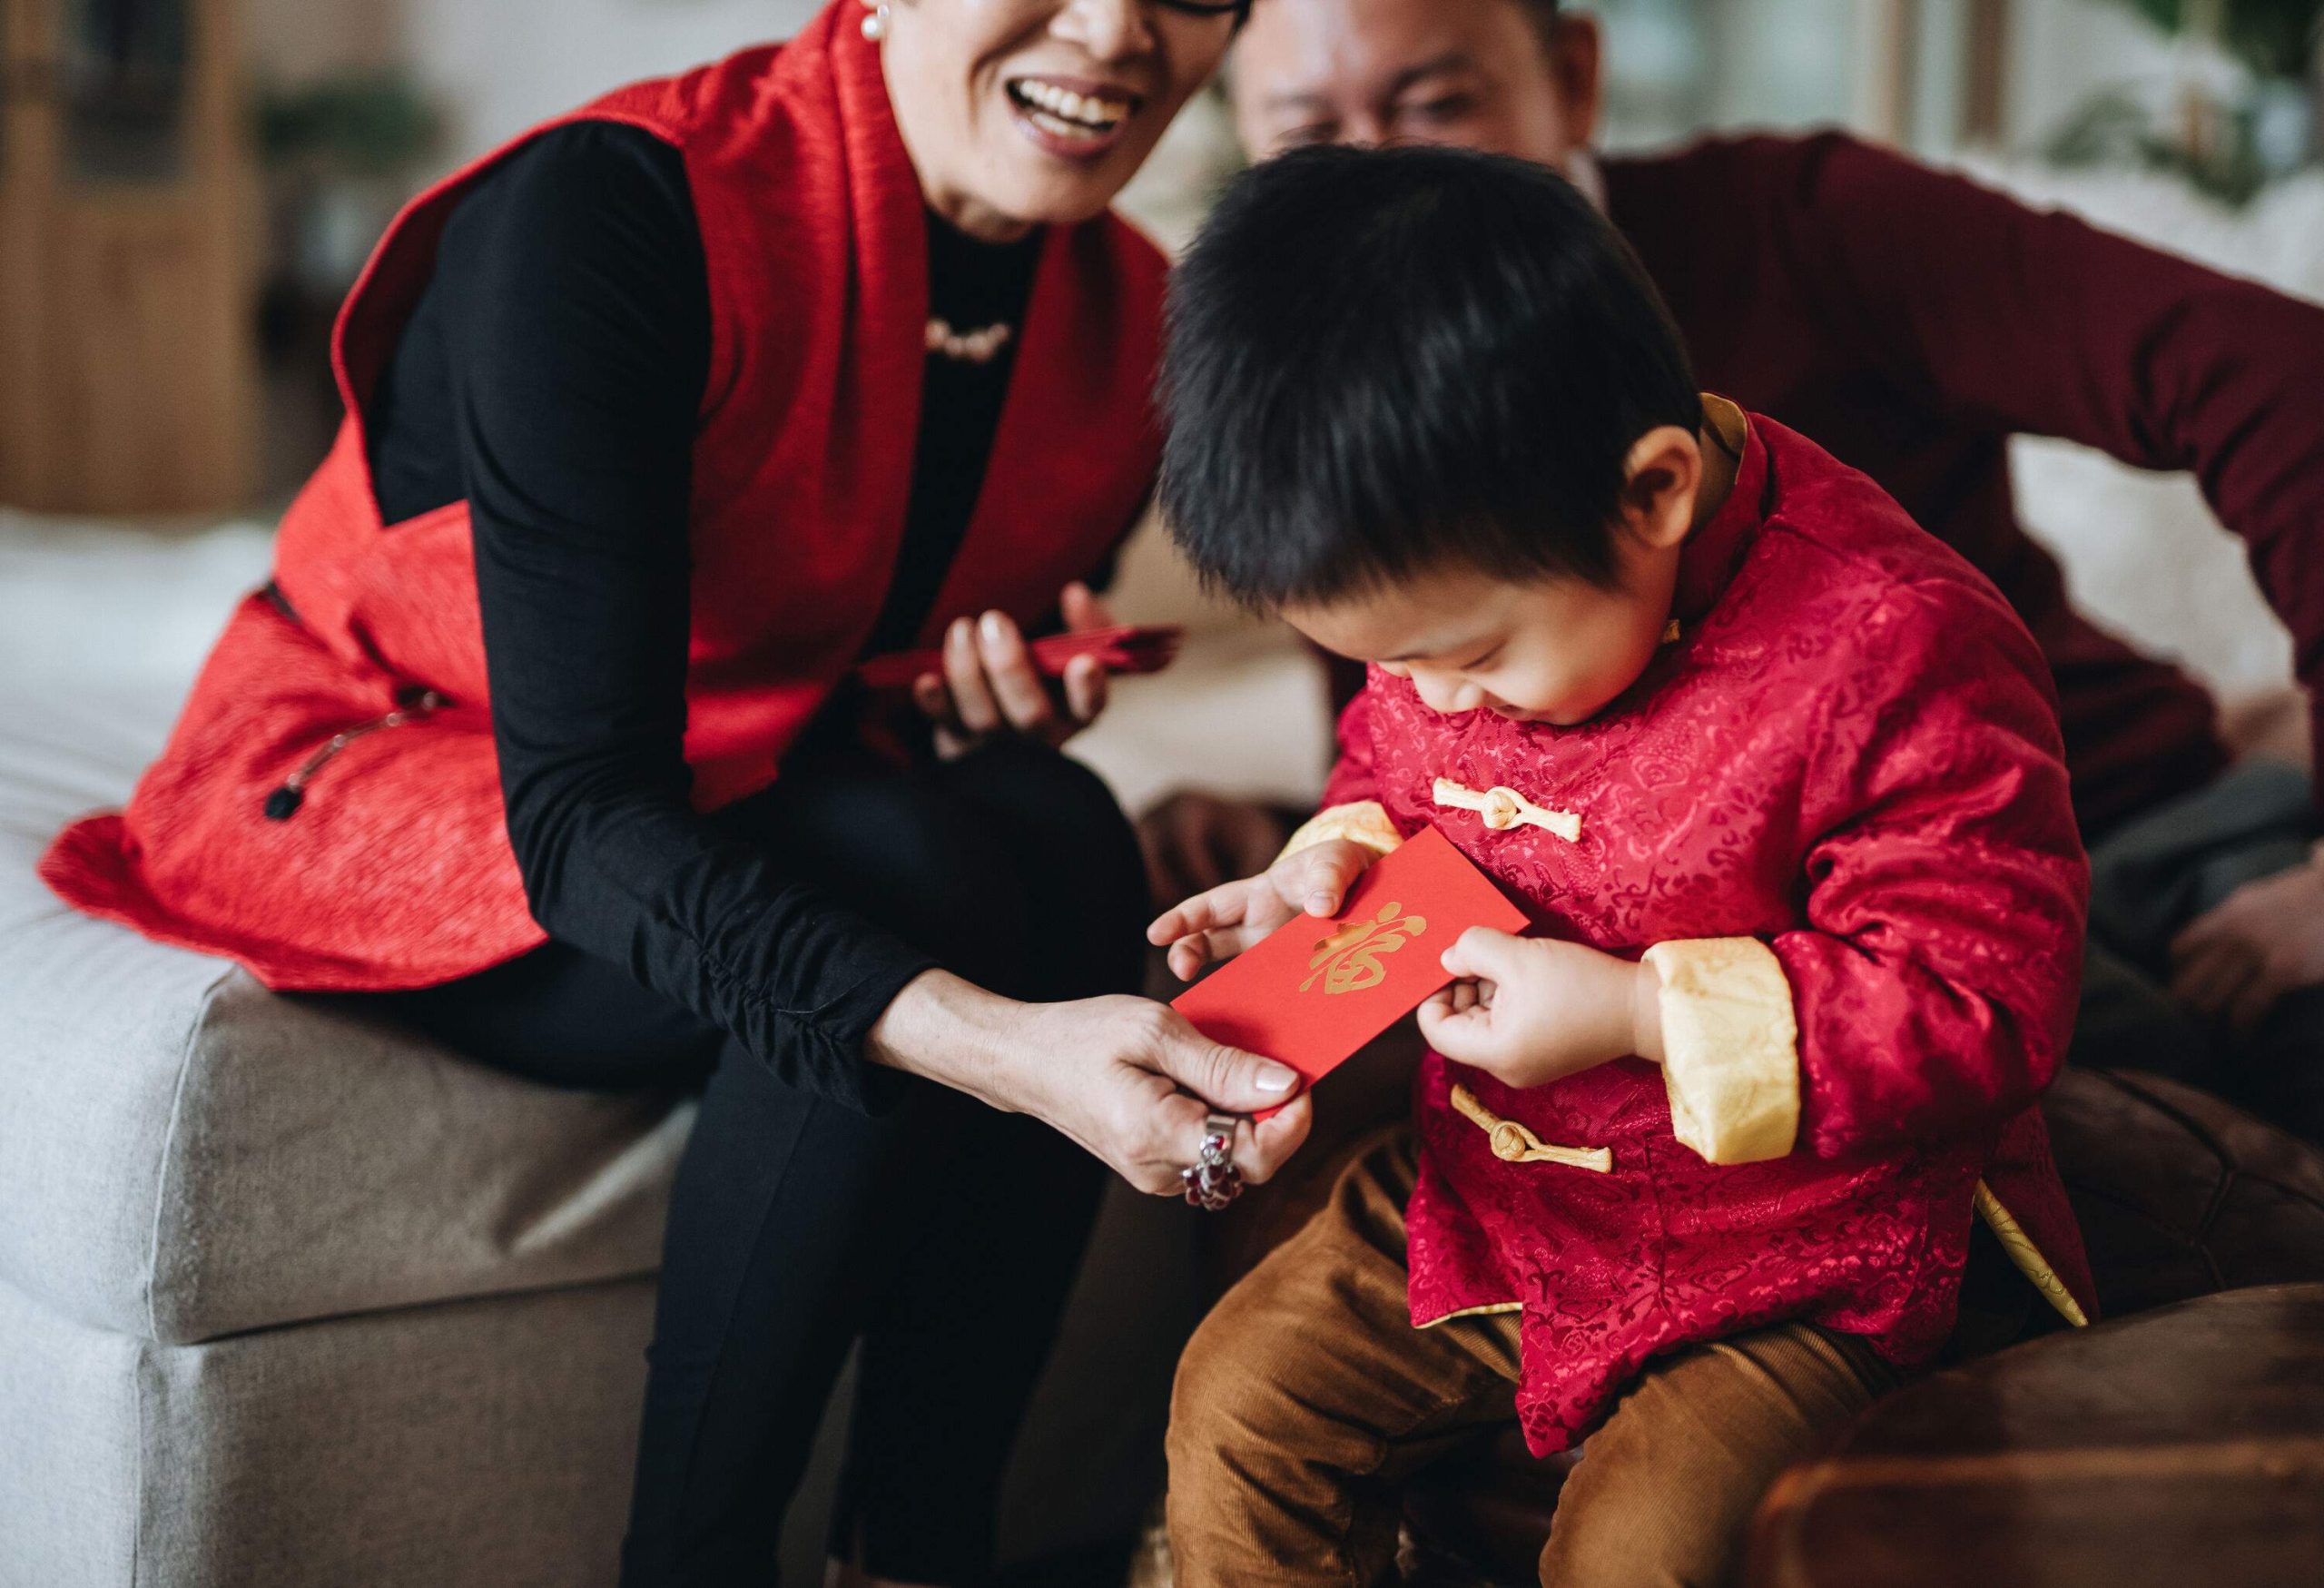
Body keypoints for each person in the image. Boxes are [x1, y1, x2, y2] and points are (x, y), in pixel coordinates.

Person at [40, 3, 1314, 1583]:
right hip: (421, 762)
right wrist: (1004, 1049)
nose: (1119, 29)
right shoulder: (616, 209)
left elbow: (839, 638)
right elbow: (584, 819)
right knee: (896, 868)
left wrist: (960, 708)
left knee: (1058, 831)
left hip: (755, 761)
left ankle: (918, 1552)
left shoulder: (1128, 317)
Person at [1149, 143, 2095, 1587]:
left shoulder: (1895, 647)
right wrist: (1319, 871)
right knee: (1236, 1410)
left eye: (1466, 657)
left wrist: (1643, 1016)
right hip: (1496, 1195)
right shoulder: (1470, 592)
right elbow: (1391, 768)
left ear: (1653, 492)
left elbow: (1984, 995)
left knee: (1644, 1548)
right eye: (1388, 662)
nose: (1435, 700)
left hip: (1801, 1253)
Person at [1147, 0, 2324, 1139]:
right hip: (1733, 974)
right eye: (1307, 133)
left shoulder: (1805, 228)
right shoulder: (1300, 403)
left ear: (1574, 79)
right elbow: (1450, 755)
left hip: (2118, 827)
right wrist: (1303, 846)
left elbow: (2283, 383)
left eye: (1438, 102)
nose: (1377, 181)